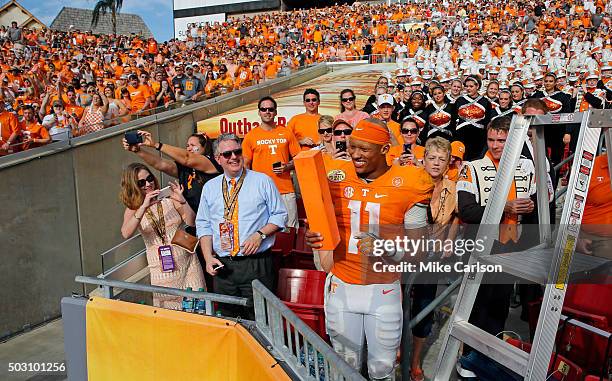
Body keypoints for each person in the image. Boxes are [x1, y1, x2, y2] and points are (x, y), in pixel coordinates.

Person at [305, 118, 434, 380]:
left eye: (364, 149)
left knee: (382, 370)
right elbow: (321, 220)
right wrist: (316, 236)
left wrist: (385, 246)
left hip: (382, 287)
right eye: (353, 146)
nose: (354, 153)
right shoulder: (336, 174)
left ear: (385, 150)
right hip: (342, 284)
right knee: (344, 366)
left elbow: (419, 250)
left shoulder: (410, 182)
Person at [456, 117, 538, 374]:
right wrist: (505, 207)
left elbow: (535, 203)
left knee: (499, 306)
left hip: (513, 244)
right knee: (476, 305)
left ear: (513, 139)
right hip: (481, 245)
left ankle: (490, 357)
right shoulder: (472, 167)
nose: (495, 145)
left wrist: (531, 207)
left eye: (501, 140)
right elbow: (467, 211)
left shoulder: (527, 166)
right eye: (491, 139)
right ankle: (468, 359)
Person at [196, 133, 287, 319]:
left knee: (262, 320)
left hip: (256, 263)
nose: (234, 157)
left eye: (237, 152)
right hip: (223, 266)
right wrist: (207, 257)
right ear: (218, 158)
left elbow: (281, 215)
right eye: (227, 154)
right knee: (229, 321)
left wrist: (259, 234)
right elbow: (204, 224)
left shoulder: (262, 181)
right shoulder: (210, 187)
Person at [120, 163, 205, 309]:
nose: (148, 184)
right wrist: (143, 207)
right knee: (171, 316)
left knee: (199, 312)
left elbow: (191, 222)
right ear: (133, 185)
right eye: (142, 182)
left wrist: (182, 200)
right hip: (162, 271)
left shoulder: (169, 199)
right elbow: (126, 233)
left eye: (150, 178)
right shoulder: (133, 209)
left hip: (189, 265)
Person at [408, 137, 459, 381]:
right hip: (406, 251)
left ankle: (415, 361)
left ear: (448, 162)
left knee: (425, 306)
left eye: (442, 159)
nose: (436, 163)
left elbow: (456, 216)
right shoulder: (410, 180)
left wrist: (450, 238)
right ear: (424, 159)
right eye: (432, 158)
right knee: (398, 303)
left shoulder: (453, 187)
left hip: (433, 253)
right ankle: (396, 348)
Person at [243, 96, 301, 229]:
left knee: (290, 230)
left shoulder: (286, 132)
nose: (267, 112)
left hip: (285, 190)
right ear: (259, 112)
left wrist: (287, 166)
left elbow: (298, 158)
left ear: (275, 112)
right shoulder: (251, 136)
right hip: (261, 192)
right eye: (263, 109)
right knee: (263, 230)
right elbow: (245, 164)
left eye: (270, 109)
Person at [455, 75, 494, 161]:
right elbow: (454, 119)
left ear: (478, 86)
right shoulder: (460, 100)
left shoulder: (485, 102)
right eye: (467, 86)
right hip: (461, 136)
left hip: (478, 137)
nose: (468, 88)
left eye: (471, 86)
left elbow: (487, 122)